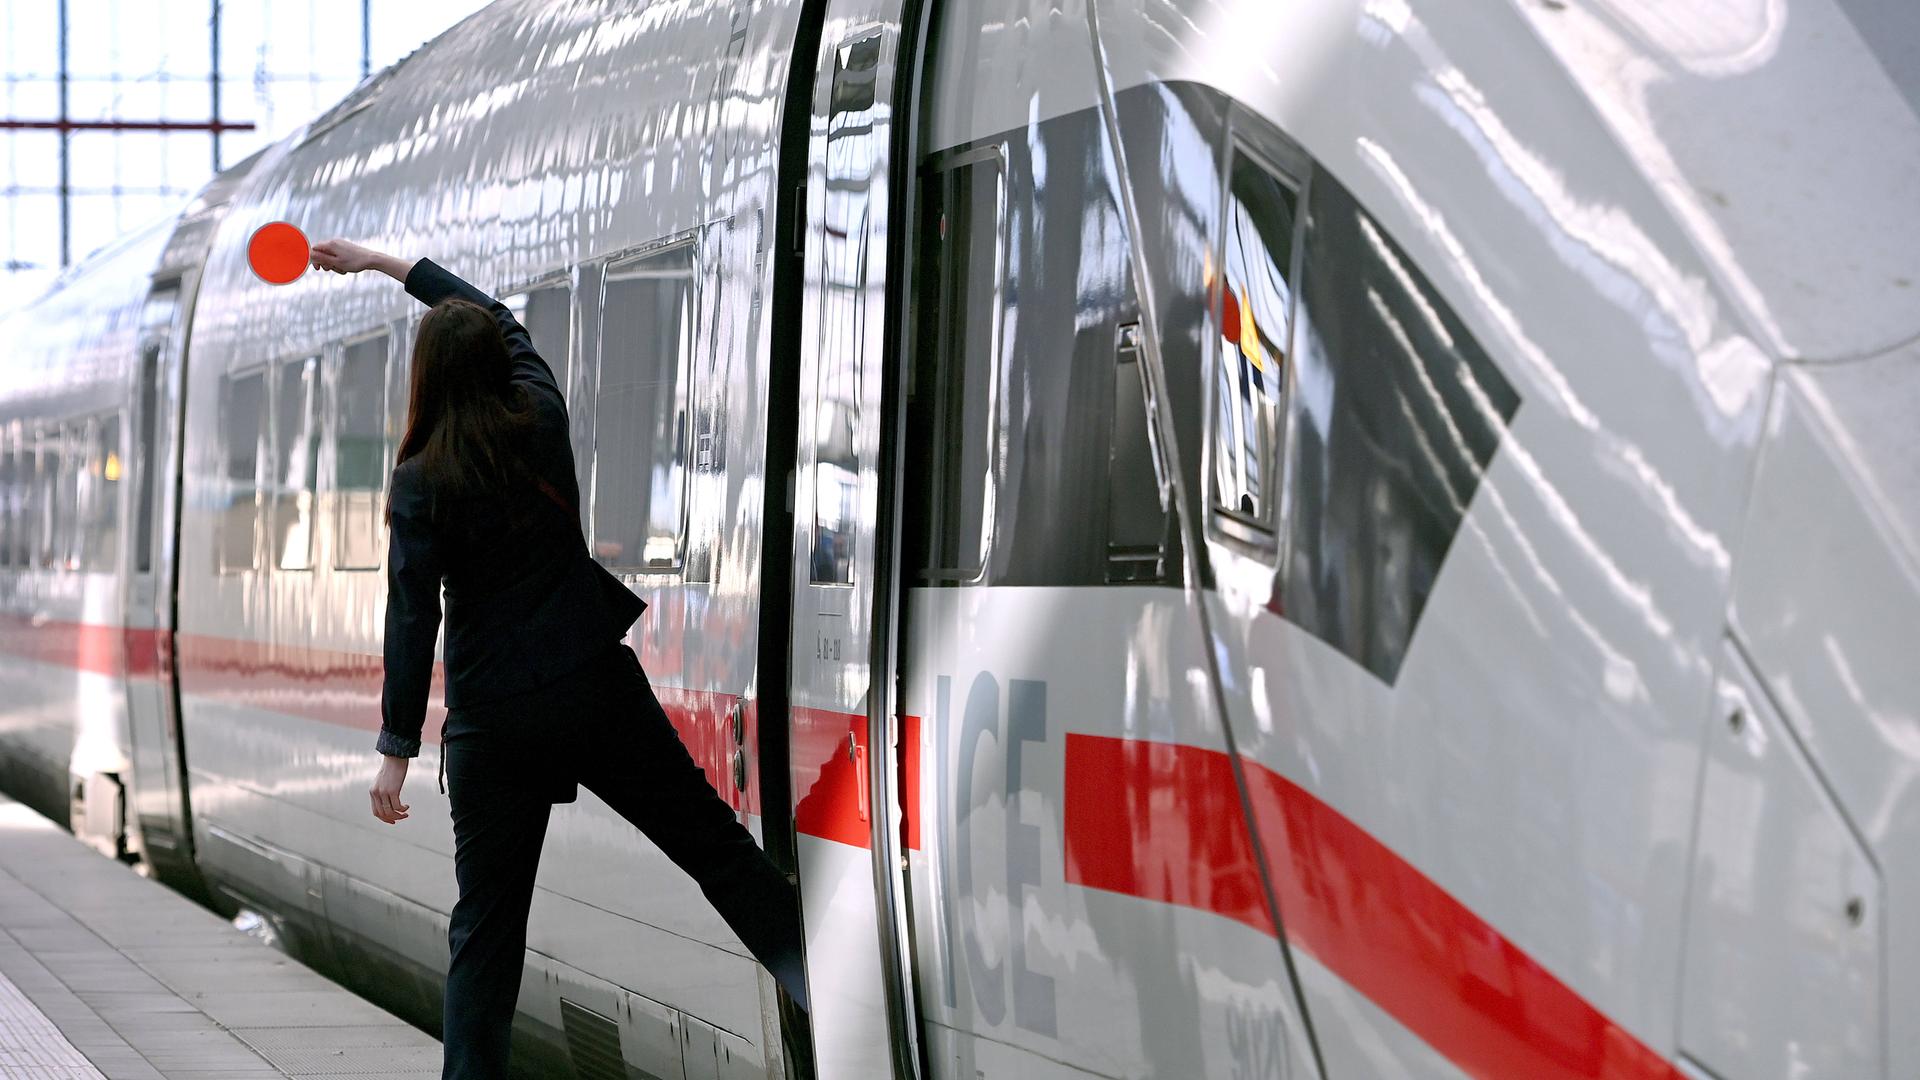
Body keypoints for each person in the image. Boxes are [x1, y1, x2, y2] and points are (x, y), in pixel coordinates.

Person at [306, 238, 809, 1080]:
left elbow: (409, 616)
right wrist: (387, 266)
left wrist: (397, 749)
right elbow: (500, 319)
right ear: (494, 369)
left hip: (492, 720)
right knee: (713, 847)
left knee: (487, 933)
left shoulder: (420, 481)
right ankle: (821, 983)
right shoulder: (540, 419)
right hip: (590, 688)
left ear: (425, 381)